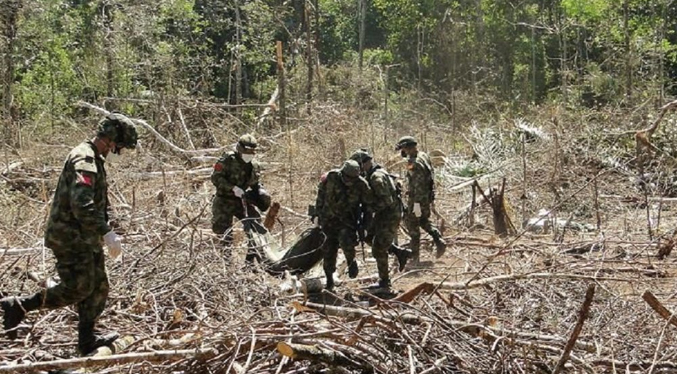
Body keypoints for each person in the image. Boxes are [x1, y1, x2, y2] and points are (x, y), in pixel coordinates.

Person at [1, 112, 138, 355]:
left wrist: (112, 225)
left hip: (85, 236)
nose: (120, 152)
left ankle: (86, 340)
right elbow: (81, 203)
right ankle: (20, 305)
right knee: (79, 287)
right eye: (120, 146)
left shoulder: (95, 159)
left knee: (98, 286)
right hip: (69, 236)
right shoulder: (84, 159)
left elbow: (97, 201)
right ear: (111, 140)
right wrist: (106, 232)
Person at [349, 149, 410, 288]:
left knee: (378, 248)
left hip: (390, 215)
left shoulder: (376, 177)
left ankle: (384, 282)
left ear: (364, 164)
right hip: (385, 213)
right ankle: (399, 252)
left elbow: (386, 201)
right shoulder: (376, 172)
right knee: (367, 235)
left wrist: (369, 208)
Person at [312, 160, 372, 290]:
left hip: (347, 222)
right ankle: (329, 281)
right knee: (328, 250)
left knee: (347, 242)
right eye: (348, 177)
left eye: (353, 178)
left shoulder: (362, 184)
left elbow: (368, 207)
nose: (350, 181)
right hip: (328, 221)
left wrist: (365, 226)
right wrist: (316, 214)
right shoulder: (330, 178)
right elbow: (320, 196)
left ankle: (351, 261)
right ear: (342, 173)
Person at [211, 134, 271, 261]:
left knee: (255, 226)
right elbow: (216, 178)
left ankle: (251, 261)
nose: (248, 155)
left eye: (251, 152)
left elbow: (255, 183)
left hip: (242, 200)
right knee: (224, 234)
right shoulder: (227, 159)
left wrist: (260, 191)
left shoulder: (254, 164)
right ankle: (224, 264)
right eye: (246, 152)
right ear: (239, 149)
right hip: (224, 201)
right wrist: (232, 188)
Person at [395, 136, 446, 264]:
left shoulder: (413, 163)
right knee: (423, 220)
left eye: (404, 149)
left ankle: (415, 257)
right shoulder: (423, 155)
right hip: (426, 197)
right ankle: (438, 238)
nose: (403, 152)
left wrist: (415, 203)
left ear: (408, 147)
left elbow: (417, 183)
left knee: (413, 225)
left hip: (417, 200)